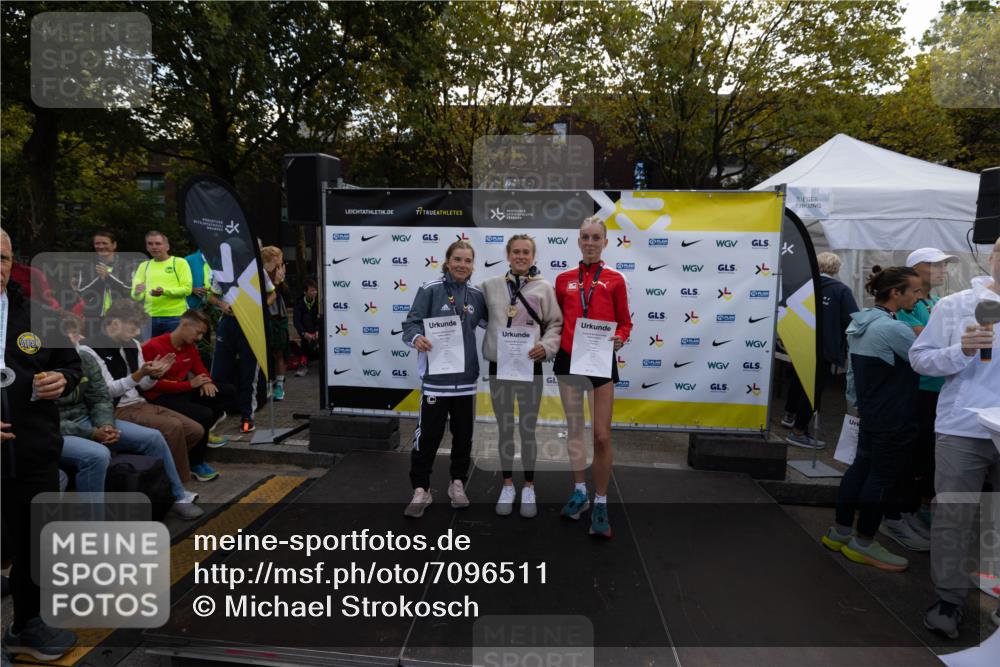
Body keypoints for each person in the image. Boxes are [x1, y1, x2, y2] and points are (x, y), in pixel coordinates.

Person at [910, 238, 1000, 640]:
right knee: (953, 516)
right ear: (991, 257)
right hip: (962, 427)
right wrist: (960, 350)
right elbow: (920, 358)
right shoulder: (956, 305)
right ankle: (949, 599)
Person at [1, 230, 82, 661]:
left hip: (32, 447)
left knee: (34, 539)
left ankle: (26, 624)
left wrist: (63, 380)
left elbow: (71, 365)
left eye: (3, 257)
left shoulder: (37, 315)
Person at [820, 266, 925, 570]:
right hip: (894, 416)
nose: (919, 298)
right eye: (915, 291)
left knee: (860, 468)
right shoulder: (895, 329)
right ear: (896, 293)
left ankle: (839, 533)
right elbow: (928, 361)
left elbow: (853, 373)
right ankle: (864, 543)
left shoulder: (862, 322)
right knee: (880, 477)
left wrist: (856, 404)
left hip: (870, 412)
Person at [56, 315, 203, 520]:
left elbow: (100, 398)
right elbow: (47, 419)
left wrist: (105, 424)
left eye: (78, 332)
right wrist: (93, 432)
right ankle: (93, 524)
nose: (79, 338)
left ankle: (177, 497)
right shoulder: (55, 362)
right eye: (72, 334)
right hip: (62, 429)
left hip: (94, 419)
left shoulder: (85, 358)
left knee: (154, 437)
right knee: (97, 455)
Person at [553, 216, 632, 538]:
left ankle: (601, 500)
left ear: (605, 242)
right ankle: (580, 492)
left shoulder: (615, 279)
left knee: (601, 435)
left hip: (600, 362)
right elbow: (555, 321)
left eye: (596, 237)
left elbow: (625, 322)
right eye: (585, 237)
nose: (590, 242)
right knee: (574, 430)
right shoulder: (563, 279)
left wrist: (621, 338)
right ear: (578, 241)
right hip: (570, 359)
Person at [401, 240, 487, 518]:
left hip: (465, 381)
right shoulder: (430, 289)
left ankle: (457, 483)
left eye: (467, 260)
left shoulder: (476, 294)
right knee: (428, 437)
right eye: (457, 259)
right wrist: (417, 337)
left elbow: (495, 324)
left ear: (473, 265)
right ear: (448, 261)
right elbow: (410, 324)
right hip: (436, 380)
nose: (462, 265)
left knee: (463, 437)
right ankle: (421, 489)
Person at [80, 299, 209, 484]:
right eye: (134, 327)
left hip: (140, 403)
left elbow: (145, 386)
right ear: (115, 323)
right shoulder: (90, 349)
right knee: (173, 428)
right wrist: (140, 374)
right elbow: (107, 391)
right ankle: (178, 486)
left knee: (195, 430)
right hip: (116, 409)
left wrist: (154, 375)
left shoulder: (133, 344)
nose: (138, 333)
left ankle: (159, 472)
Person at [480, 235, 562, 517]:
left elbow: (556, 323)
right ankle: (507, 485)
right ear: (508, 254)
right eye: (516, 252)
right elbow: (475, 317)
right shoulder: (490, 286)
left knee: (527, 429)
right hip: (500, 367)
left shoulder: (544, 288)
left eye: (526, 252)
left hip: (531, 366)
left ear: (533, 255)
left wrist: (547, 346)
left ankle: (528, 485)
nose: (520, 257)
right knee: (504, 427)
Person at [897, 248, 958, 529]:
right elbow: (918, 336)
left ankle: (921, 505)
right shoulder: (909, 300)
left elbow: (941, 336)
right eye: (937, 264)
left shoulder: (935, 300)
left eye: (945, 264)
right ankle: (903, 510)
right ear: (918, 267)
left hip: (938, 388)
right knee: (916, 450)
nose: (944, 269)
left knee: (930, 451)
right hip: (918, 387)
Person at [141, 309, 237, 481]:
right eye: (198, 332)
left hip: (182, 391)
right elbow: (150, 386)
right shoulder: (153, 346)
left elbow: (200, 369)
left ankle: (203, 434)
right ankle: (196, 463)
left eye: (202, 334)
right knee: (204, 414)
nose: (199, 338)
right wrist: (188, 384)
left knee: (226, 391)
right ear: (184, 325)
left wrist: (206, 381)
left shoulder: (190, 347)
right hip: (160, 397)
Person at [782, 251, 859, 448]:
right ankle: (798, 432)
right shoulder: (841, 290)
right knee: (813, 389)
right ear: (836, 269)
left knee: (799, 379)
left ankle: (789, 414)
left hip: (800, 343)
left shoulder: (804, 287)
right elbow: (852, 320)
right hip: (824, 348)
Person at [131, 231, 193, 337]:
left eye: (158, 243)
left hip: (175, 317)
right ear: (146, 247)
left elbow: (187, 289)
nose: (154, 247)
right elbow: (136, 296)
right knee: (150, 352)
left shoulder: (179, 262)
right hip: (149, 318)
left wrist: (164, 292)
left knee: (175, 352)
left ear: (167, 246)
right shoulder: (143, 266)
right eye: (150, 244)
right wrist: (137, 292)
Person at [73, 230, 136, 322]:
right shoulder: (87, 266)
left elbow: (130, 290)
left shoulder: (127, 265)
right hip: (94, 317)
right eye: (97, 243)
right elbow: (82, 292)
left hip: (121, 316)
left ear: (114, 245)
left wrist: (108, 277)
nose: (101, 246)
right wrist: (100, 280)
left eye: (105, 243)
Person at [261, 246, 290, 401]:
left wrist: (281, 281)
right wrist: (275, 282)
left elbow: (285, 294)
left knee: (279, 351)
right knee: (265, 353)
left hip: (278, 315)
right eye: (279, 257)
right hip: (264, 315)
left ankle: (279, 385)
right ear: (271, 258)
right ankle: (266, 384)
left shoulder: (280, 270)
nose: (281, 260)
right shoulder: (259, 273)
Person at [292, 278, 321, 377]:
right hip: (306, 333)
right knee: (306, 317)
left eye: (315, 290)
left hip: (317, 331)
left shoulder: (319, 302)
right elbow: (296, 321)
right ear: (305, 292)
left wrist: (318, 331)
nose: (315, 292)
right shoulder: (298, 303)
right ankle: (303, 364)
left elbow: (321, 319)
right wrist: (304, 333)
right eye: (312, 290)